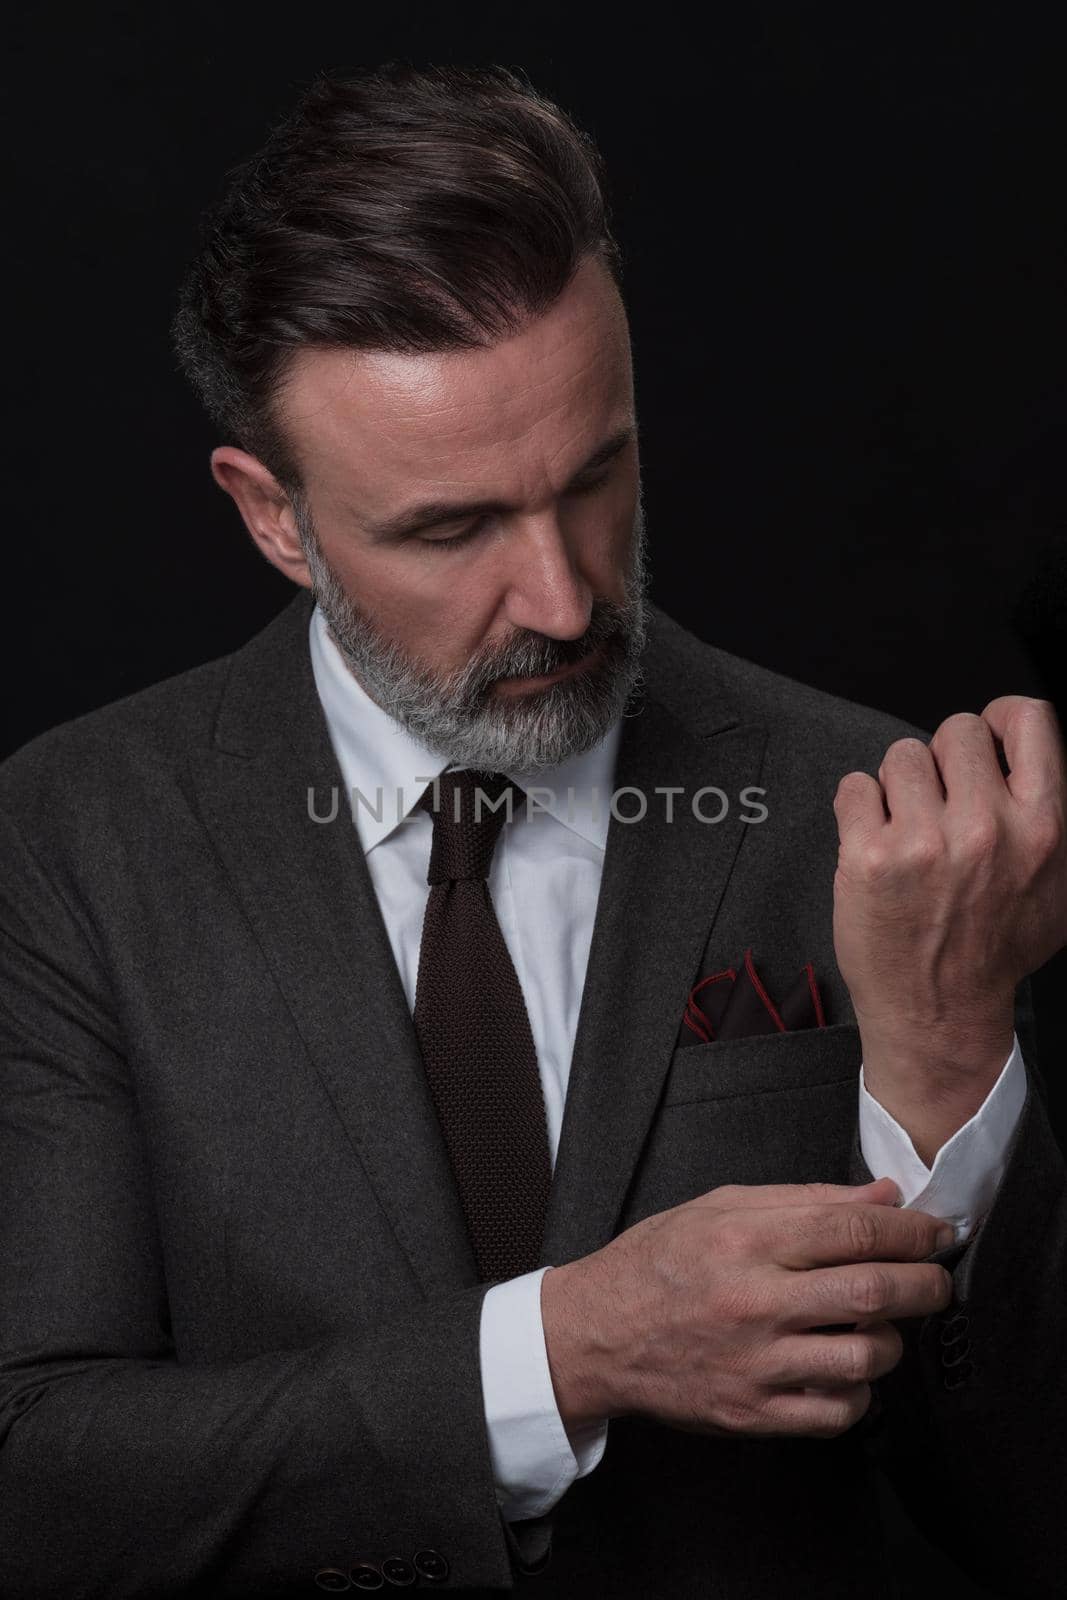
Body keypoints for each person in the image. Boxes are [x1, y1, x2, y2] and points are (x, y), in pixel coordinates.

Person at [1, 62, 1064, 1600]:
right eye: (452, 528)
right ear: (272, 515)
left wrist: (957, 1063)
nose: (567, 598)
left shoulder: (879, 812)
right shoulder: (65, 841)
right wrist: (564, 1351)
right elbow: (36, 1476)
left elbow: (1032, 1515)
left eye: (598, 474)